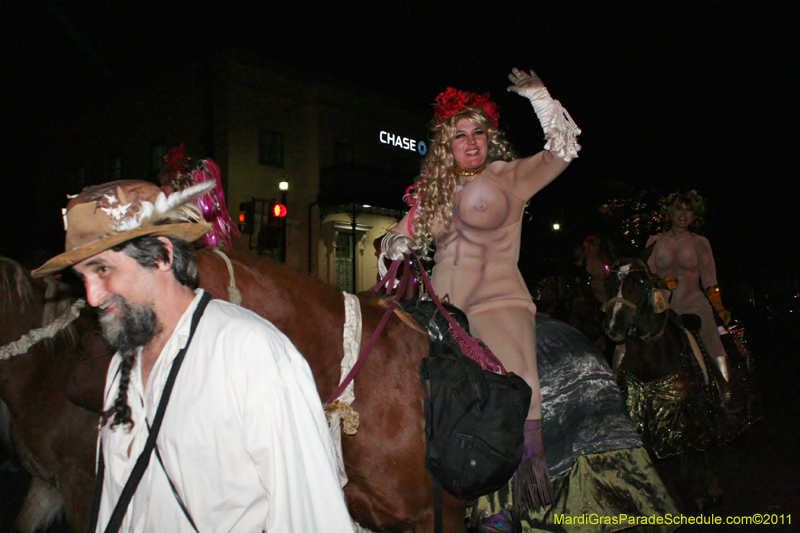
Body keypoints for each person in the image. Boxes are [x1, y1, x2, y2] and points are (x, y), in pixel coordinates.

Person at [32, 180, 353, 533]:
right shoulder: (122, 367)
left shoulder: (251, 353)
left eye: (103, 269)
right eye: (83, 278)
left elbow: (310, 517)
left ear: (162, 255)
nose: (92, 297)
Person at [378, 68, 581, 525]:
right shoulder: (432, 193)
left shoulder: (509, 177)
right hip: (442, 309)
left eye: (478, 132)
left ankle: (523, 490)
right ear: (444, 145)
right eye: (459, 136)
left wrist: (540, 99)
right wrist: (393, 244)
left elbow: (562, 151)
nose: (471, 142)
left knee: (519, 385)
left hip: (496, 303)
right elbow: (395, 239)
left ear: (490, 137)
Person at [646, 190, 732, 391]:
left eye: (689, 210)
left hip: (694, 302)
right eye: (679, 208)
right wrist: (659, 282)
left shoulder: (700, 242)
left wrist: (719, 308)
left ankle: (725, 392)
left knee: (712, 339)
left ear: (695, 216)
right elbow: (647, 276)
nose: (683, 214)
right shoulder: (655, 240)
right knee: (634, 338)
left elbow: (710, 279)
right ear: (669, 212)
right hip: (663, 305)